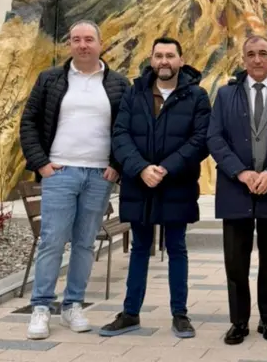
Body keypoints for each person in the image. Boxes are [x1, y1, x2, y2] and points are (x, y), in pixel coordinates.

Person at [19, 20, 129, 340]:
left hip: (99, 175)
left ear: (100, 43)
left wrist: (116, 166)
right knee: (52, 239)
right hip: (60, 172)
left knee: (84, 243)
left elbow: (129, 129)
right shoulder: (50, 79)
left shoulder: (119, 84)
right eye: (76, 39)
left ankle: (73, 305)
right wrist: (41, 164)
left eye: (89, 39)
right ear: (70, 44)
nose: (82, 45)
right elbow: (29, 122)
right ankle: (41, 307)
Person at [98, 37, 211, 339]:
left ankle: (180, 315)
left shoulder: (197, 96)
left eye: (170, 56)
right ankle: (130, 313)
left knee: (177, 248)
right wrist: (141, 168)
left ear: (180, 60)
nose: (164, 61)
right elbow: (120, 134)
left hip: (177, 184)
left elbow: (200, 141)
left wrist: (166, 168)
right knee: (139, 249)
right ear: (151, 59)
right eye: (159, 55)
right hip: (140, 184)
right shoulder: (134, 94)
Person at [207, 35, 267, 345]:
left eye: (263, 53)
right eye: (251, 54)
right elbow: (215, 138)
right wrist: (241, 172)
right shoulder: (226, 95)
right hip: (237, 188)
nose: (258, 59)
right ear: (244, 59)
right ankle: (238, 322)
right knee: (235, 260)